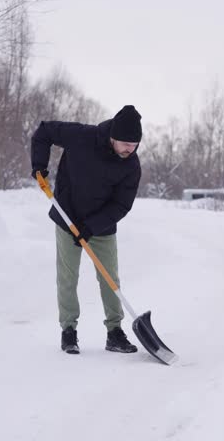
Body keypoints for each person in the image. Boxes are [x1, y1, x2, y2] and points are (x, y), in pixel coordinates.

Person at [30, 105, 143, 355]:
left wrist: (91, 227)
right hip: (66, 216)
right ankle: (68, 331)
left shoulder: (131, 166)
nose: (129, 149)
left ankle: (114, 332)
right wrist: (39, 165)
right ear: (112, 136)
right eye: (125, 143)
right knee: (68, 278)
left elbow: (122, 205)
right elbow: (44, 132)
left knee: (110, 279)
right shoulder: (82, 136)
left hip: (101, 226)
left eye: (134, 145)